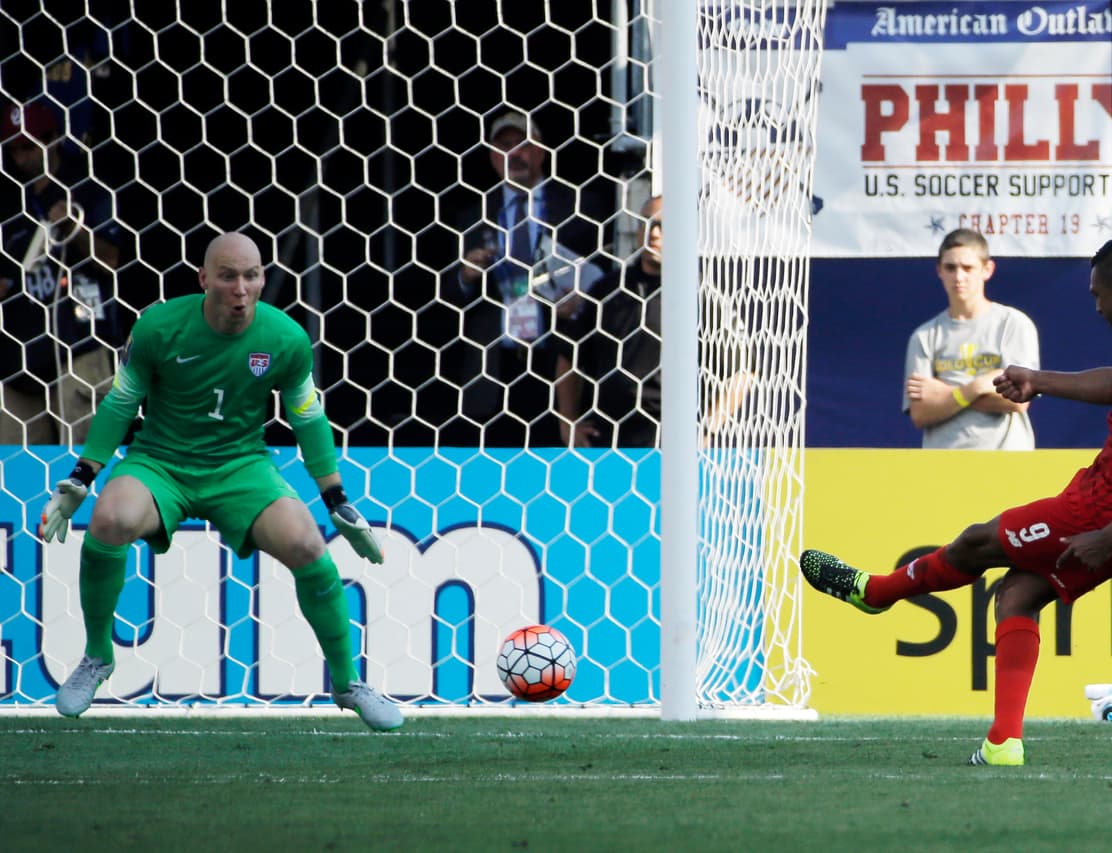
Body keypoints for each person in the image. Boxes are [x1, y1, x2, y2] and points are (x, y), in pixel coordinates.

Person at [802, 235, 1112, 766]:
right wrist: (1038, 380)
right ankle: (1003, 743)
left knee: (979, 541)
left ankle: (877, 592)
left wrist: (1111, 534)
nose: (1095, 307)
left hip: (1108, 512)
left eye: (1097, 296)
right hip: (1104, 497)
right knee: (1018, 595)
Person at [37, 232, 404, 731]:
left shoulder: (286, 339)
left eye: (251, 275)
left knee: (307, 543)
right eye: (228, 276)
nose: (241, 287)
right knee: (110, 517)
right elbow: (122, 404)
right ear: (204, 279)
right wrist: (83, 476)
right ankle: (98, 656)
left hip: (240, 466)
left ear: (262, 279)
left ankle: (348, 683)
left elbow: (308, 418)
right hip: (161, 463)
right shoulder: (159, 327)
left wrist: (336, 499)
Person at [440, 109, 606, 447]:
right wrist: (466, 276)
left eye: (523, 144)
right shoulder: (472, 215)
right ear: (491, 157)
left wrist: (583, 300)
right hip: (494, 363)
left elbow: (604, 279)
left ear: (542, 151)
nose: (514, 153)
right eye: (504, 146)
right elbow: (442, 296)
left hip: (558, 358)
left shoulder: (581, 207)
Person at [1, 100, 123, 444]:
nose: (20, 156)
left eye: (29, 146)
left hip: (79, 345)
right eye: (13, 148)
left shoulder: (86, 187)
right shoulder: (10, 202)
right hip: (18, 359)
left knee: (82, 464)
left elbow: (111, 260)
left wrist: (74, 226)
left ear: (53, 138)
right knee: (15, 467)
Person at [903, 228, 1039, 449]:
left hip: (1007, 462)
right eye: (950, 268)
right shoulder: (924, 336)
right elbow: (920, 413)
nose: (959, 277)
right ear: (939, 270)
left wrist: (945, 394)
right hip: (943, 466)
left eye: (968, 268)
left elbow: (1018, 401)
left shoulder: (1013, 324)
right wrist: (978, 386)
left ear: (987, 269)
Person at [555, 195, 663, 447]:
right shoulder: (608, 288)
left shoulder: (699, 291)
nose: (654, 234)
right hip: (609, 439)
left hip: (671, 440)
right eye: (646, 224)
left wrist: (707, 430)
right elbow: (569, 355)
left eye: (664, 226)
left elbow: (742, 369)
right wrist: (567, 421)